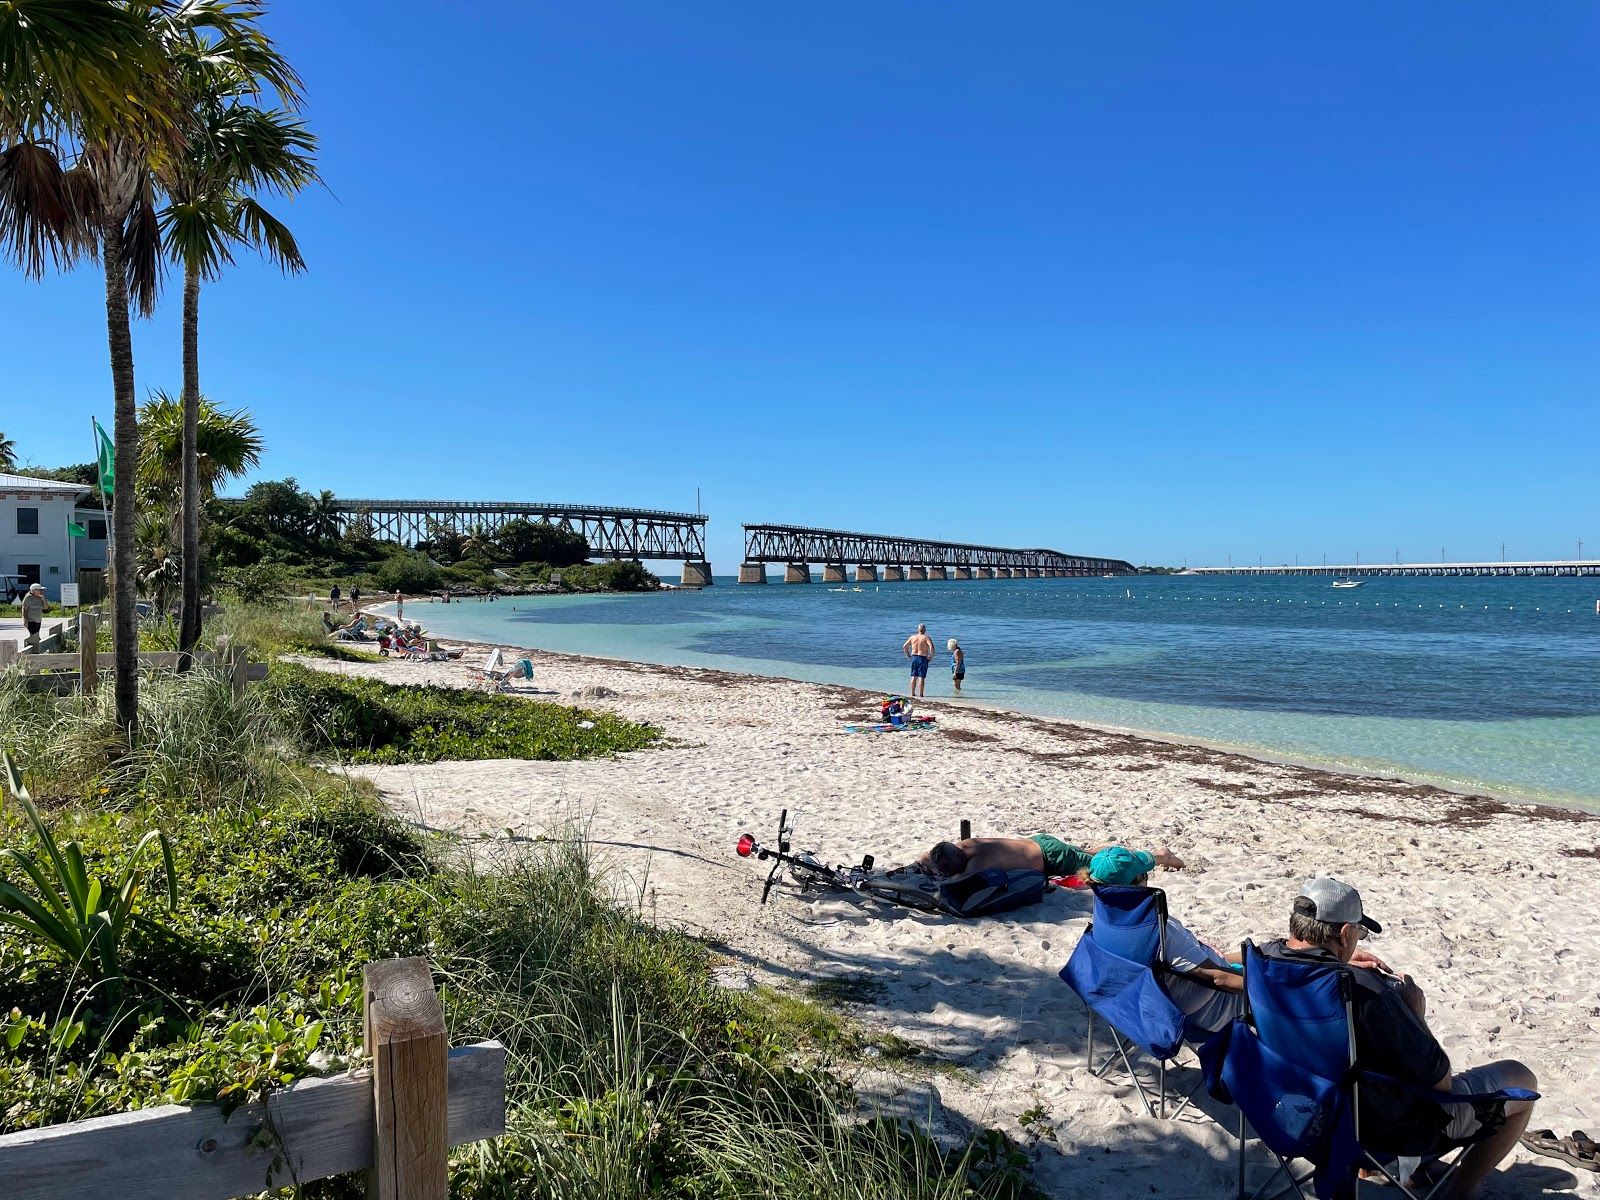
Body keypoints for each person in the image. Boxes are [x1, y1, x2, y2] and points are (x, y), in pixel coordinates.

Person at [1262, 878, 1537, 1194]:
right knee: (1522, 1079)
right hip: (1375, 1131)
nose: (1358, 940)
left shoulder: (1265, 961)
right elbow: (1441, 1083)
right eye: (1359, 932)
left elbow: (1292, 952)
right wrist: (1415, 1012)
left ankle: (1389, 1169)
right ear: (1344, 934)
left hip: (1300, 1113)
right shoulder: (1367, 994)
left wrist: (1336, 959)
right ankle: (1461, 1189)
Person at [1087, 846, 1240, 1035]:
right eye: (1145, 875)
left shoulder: (1105, 909)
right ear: (1136, 884)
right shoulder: (1158, 931)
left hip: (1127, 997)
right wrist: (1260, 989)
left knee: (1257, 953)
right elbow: (1218, 978)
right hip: (1205, 1004)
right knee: (1270, 967)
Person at [920, 834, 1185, 885]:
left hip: (1051, 857)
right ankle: (1096, 848)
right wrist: (930, 863)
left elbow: (954, 881)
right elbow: (927, 856)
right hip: (1038, 842)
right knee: (1086, 855)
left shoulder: (977, 864)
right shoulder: (966, 845)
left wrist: (938, 875)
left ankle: (1159, 855)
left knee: (1100, 866)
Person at [902, 623, 935, 698]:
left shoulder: (912, 637)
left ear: (918, 629)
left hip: (914, 657)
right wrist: (931, 657)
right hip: (922, 658)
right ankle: (921, 694)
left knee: (914, 676)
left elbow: (904, 647)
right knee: (921, 677)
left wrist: (908, 656)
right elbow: (932, 647)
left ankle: (912, 693)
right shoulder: (926, 637)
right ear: (925, 630)